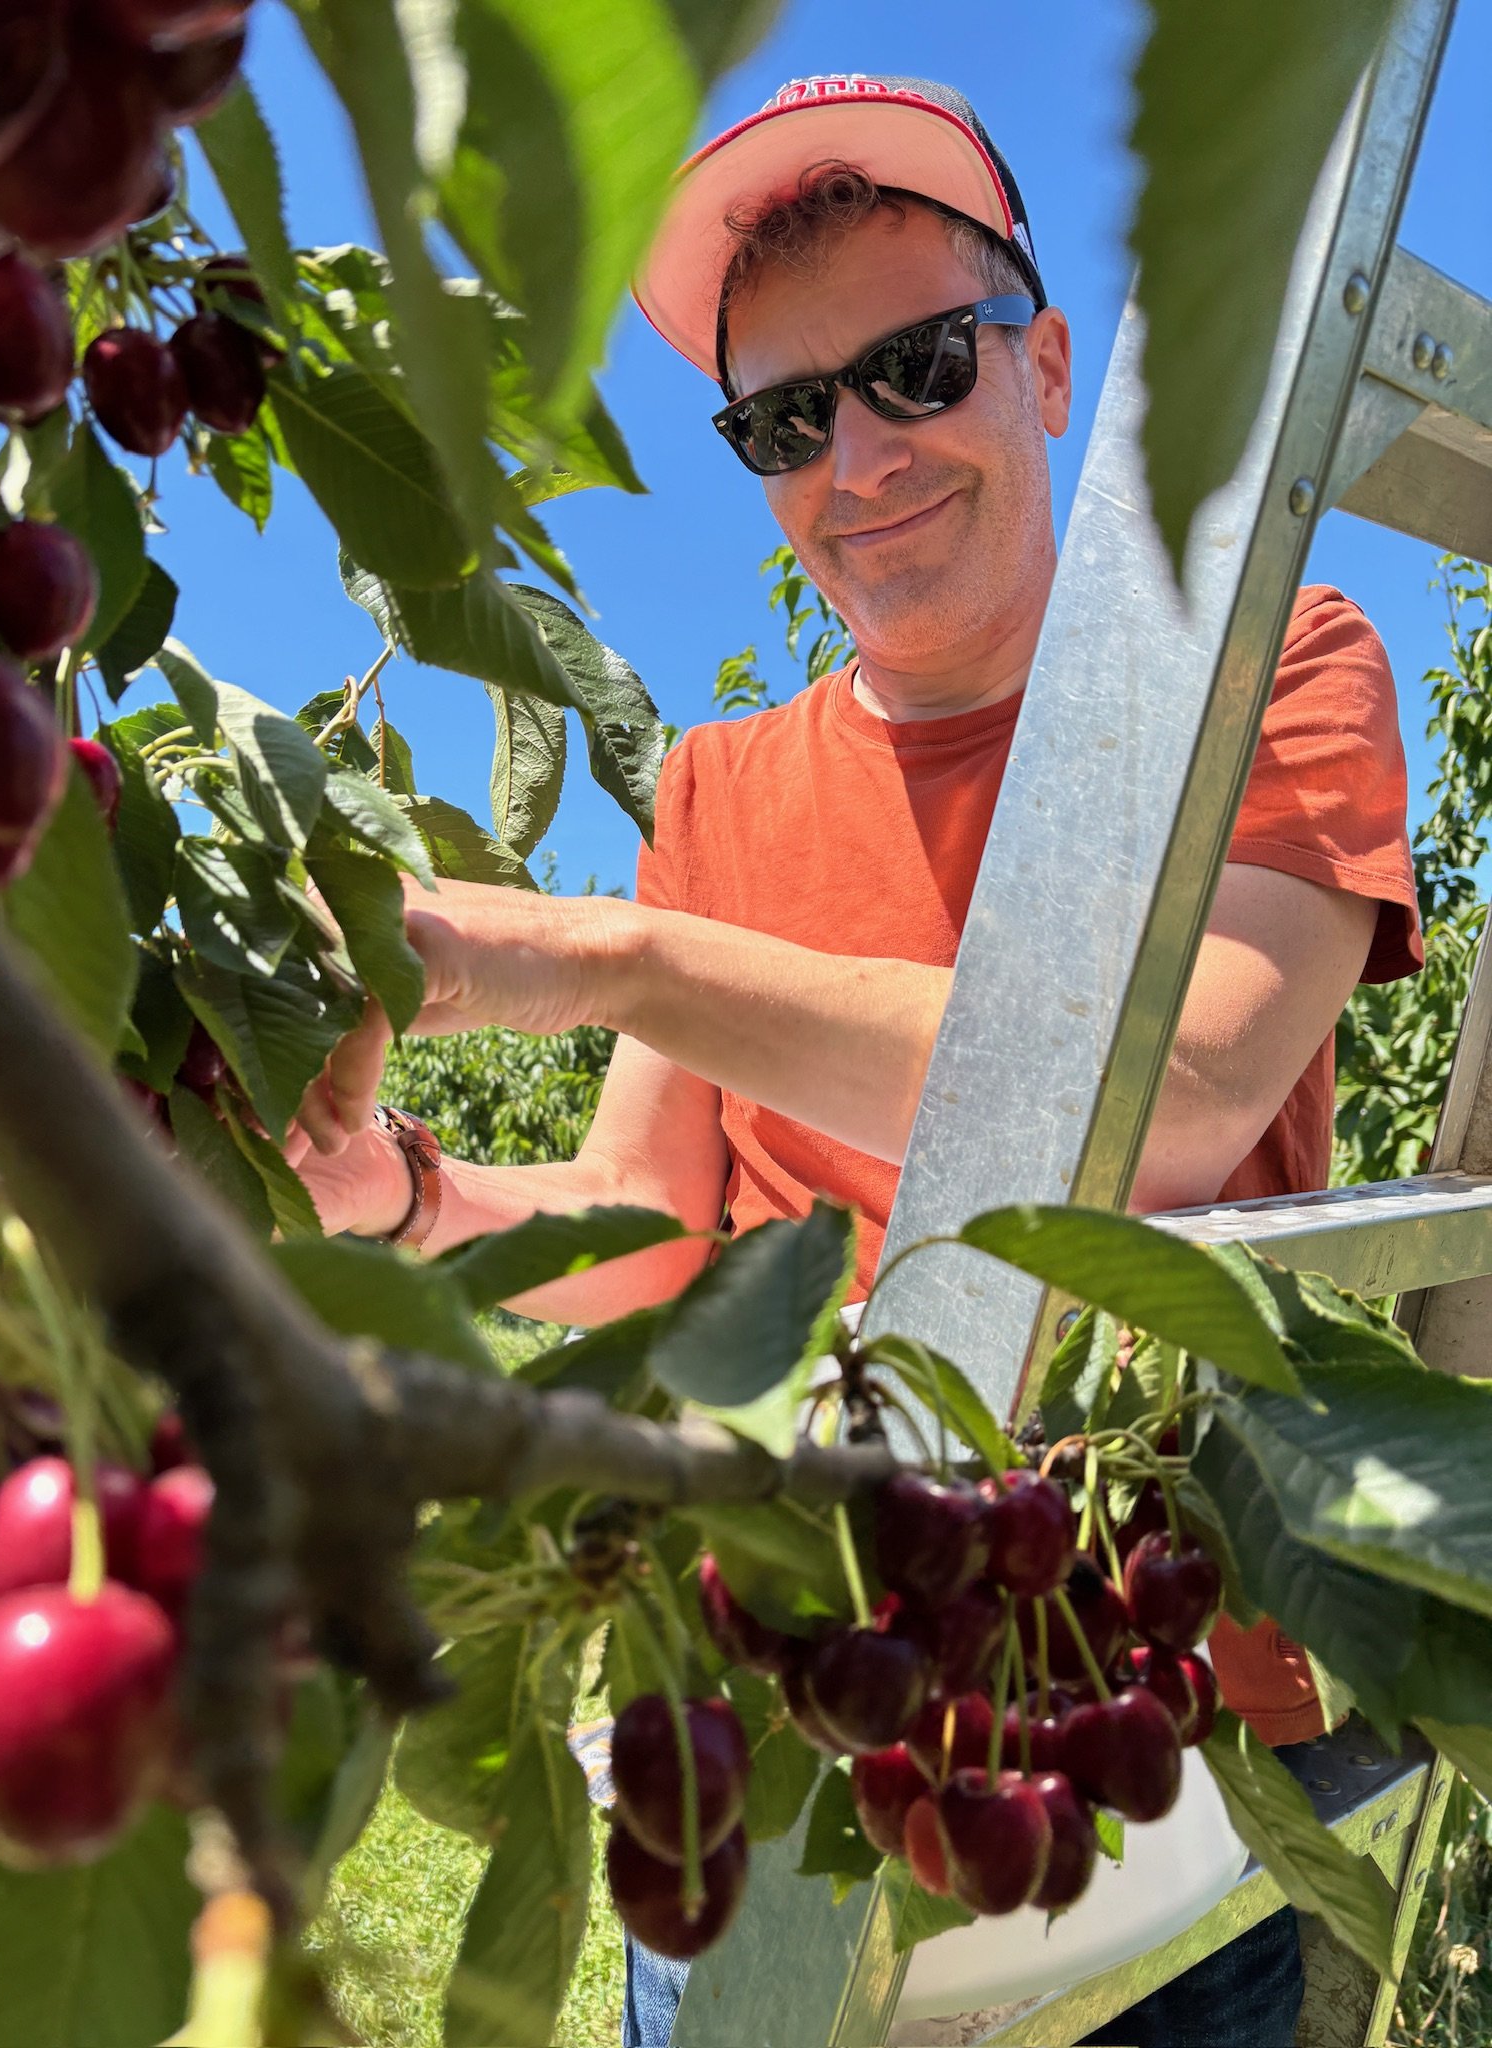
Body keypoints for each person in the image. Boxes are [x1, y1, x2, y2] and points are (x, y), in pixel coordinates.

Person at [288, 73, 1422, 2048]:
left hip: (1154, 1718)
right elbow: (648, 1246)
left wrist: (605, 956)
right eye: (785, 418)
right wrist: (385, 1188)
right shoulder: (721, 793)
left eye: (915, 364)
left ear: (1047, 363)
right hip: (800, 1716)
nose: (859, 454)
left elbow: (1180, 1107)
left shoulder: (1273, 663)